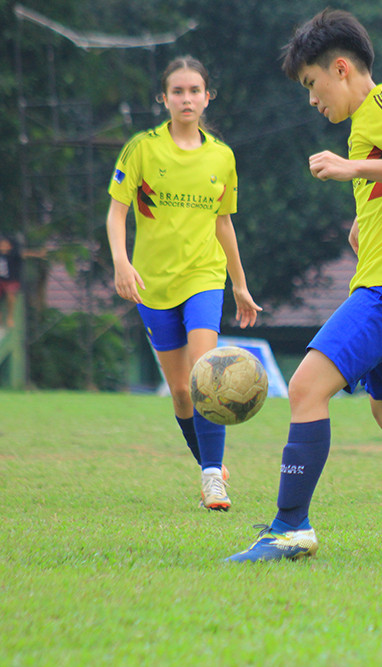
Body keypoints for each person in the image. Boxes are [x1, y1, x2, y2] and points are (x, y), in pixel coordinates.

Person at [227, 9, 382, 562]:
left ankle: (290, 528)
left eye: (311, 83)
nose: (311, 100)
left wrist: (351, 169)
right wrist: (367, 222)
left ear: (341, 68)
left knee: (305, 387)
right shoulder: (368, 123)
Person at [106, 56, 261, 511]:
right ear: (164, 98)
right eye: (178, 91)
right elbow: (116, 212)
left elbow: (224, 223)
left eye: (195, 90)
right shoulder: (142, 149)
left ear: (207, 97)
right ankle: (209, 465)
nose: (186, 98)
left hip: (203, 277)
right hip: (152, 283)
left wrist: (239, 284)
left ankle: (213, 480)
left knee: (205, 374)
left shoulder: (221, 156)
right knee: (180, 392)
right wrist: (121, 263)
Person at [0, 235, 23, 329]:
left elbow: (25, 253)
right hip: (1, 280)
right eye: (2, 245)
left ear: (10, 247)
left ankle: (10, 317)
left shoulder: (14, 255)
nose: (3, 247)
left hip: (11, 280)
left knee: (11, 296)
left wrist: (37, 254)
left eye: (5, 245)